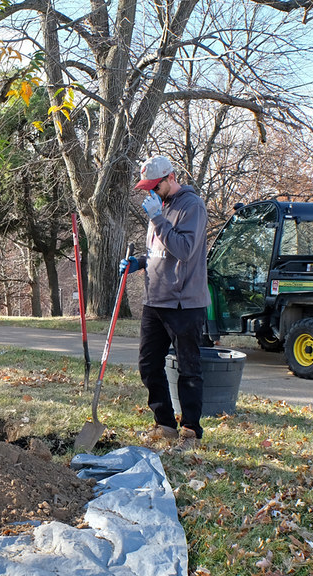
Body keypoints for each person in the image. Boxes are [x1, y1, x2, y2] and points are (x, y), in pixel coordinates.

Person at [119, 156, 210, 450]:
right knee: (148, 365)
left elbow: (184, 250)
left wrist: (157, 218)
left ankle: (190, 431)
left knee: (188, 369)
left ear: (170, 178)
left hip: (184, 303)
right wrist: (138, 262)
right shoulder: (161, 207)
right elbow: (161, 251)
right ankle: (166, 424)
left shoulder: (191, 206)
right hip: (155, 300)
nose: (149, 193)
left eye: (153, 187)